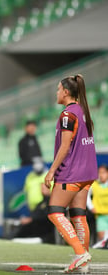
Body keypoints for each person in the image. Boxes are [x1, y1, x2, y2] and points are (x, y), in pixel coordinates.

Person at [44, 74, 97, 273]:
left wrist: (51, 172)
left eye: (59, 89)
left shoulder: (67, 115)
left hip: (72, 173)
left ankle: (80, 253)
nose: (57, 92)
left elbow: (65, 147)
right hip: (87, 173)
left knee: (55, 211)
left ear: (66, 92)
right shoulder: (83, 111)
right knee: (78, 215)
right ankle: (84, 261)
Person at [87, 164, 108, 249]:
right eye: (99, 172)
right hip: (100, 216)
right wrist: (91, 207)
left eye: (103, 172)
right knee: (103, 241)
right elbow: (86, 196)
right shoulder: (94, 184)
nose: (101, 175)